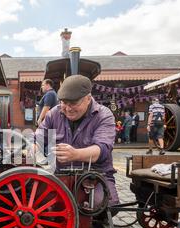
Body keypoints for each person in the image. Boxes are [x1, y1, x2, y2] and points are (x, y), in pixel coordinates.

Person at [36, 75, 120, 209]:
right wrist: (31, 149)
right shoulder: (53, 114)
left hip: (95, 175)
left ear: (88, 98)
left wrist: (76, 154)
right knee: (40, 200)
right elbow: (38, 139)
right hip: (60, 175)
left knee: (102, 205)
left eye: (73, 103)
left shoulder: (104, 115)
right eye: (64, 102)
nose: (68, 108)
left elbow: (102, 150)